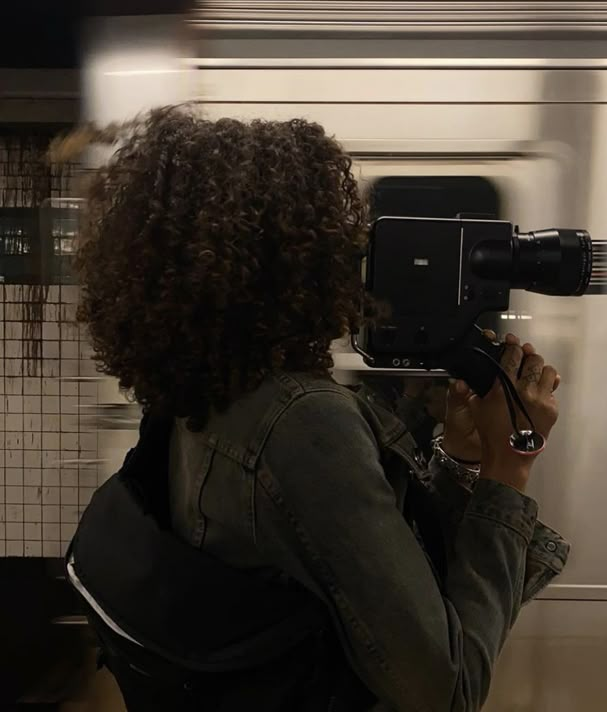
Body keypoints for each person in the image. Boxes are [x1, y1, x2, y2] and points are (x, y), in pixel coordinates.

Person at [59, 106, 569, 712]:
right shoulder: (298, 423)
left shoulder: (200, 402)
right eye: (332, 228)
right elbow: (443, 687)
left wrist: (458, 455)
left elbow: (361, 573)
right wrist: (509, 468)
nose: (354, 249)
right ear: (292, 255)